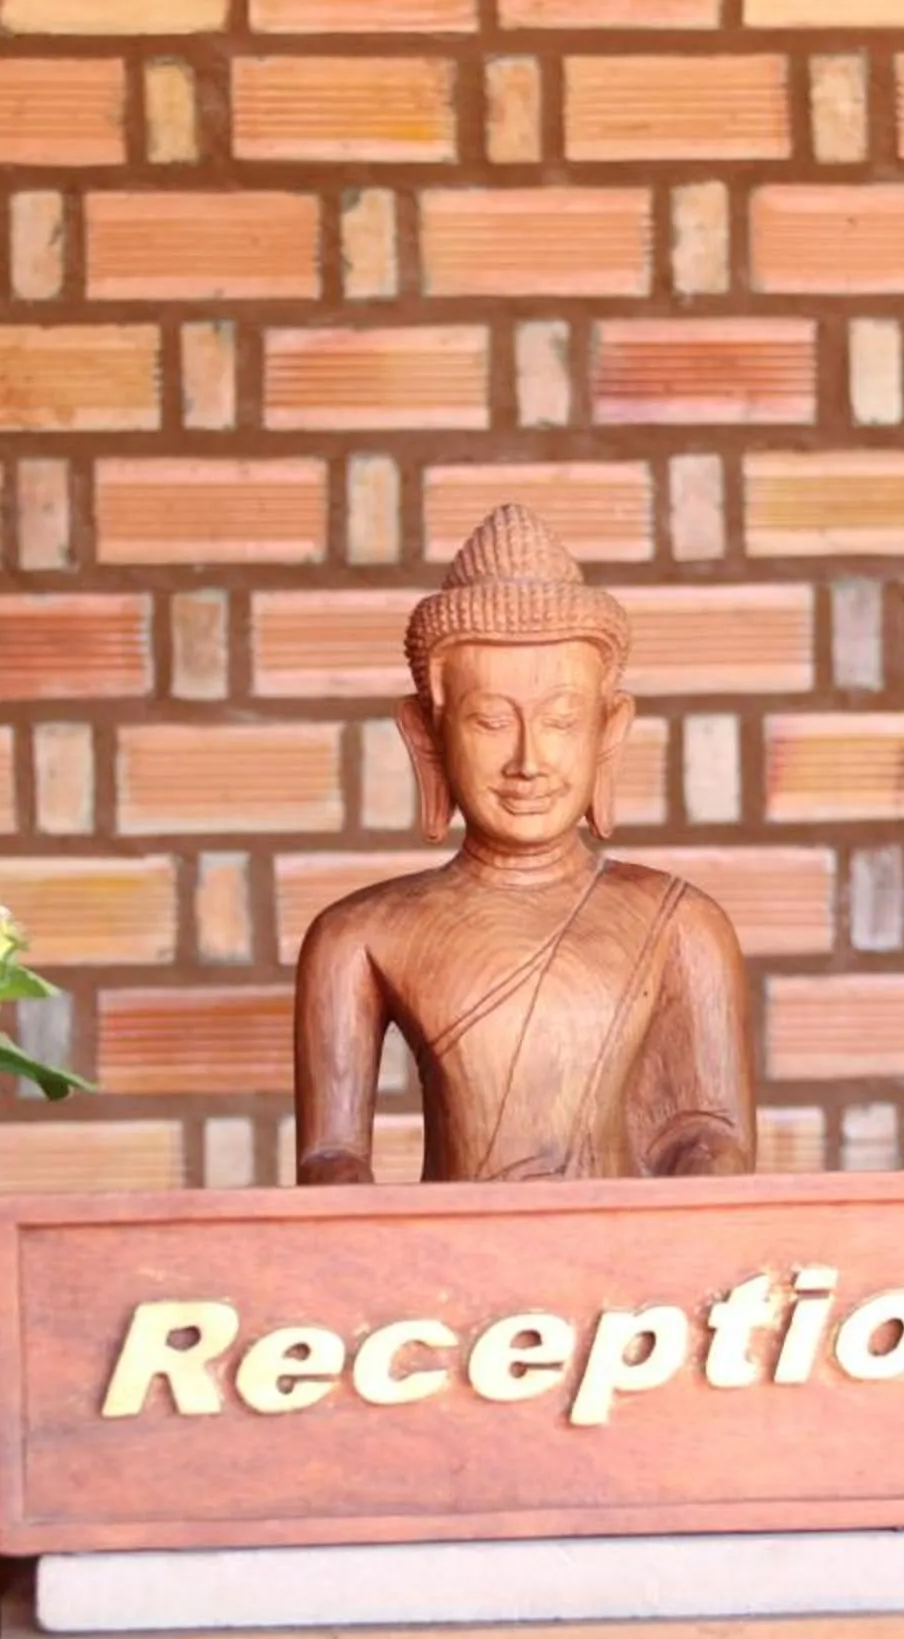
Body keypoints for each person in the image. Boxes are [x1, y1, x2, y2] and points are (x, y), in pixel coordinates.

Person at [294, 505, 757, 1185]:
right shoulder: (359, 935)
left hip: (625, 1253)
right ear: (426, 735)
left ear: (609, 731)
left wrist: (702, 1170)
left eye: (562, 720)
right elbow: (329, 1157)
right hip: (446, 1250)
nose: (528, 762)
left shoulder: (681, 923)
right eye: (489, 721)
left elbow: (712, 1128)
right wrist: (355, 1211)